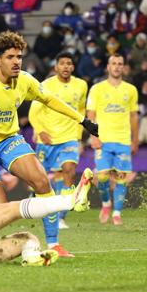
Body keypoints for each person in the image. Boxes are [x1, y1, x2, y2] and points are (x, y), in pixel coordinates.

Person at [0, 31, 99, 258]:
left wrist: (82, 120)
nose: (16, 61)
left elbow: (49, 99)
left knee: (42, 182)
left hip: (9, 141)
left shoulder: (24, 80)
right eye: (10, 57)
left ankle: (54, 244)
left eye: (19, 56)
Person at [28, 52, 87, 235]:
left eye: (69, 63)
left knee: (69, 169)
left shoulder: (81, 85)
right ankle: (33, 201)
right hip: (48, 138)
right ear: (56, 67)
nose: (66, 66)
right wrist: (40, 131)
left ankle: (60, 216)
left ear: (73, 67)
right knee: (40, 179)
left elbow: (81, 109)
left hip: (69, 138)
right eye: (62, 63)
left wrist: (78, 137)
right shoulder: (45, 85)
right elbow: (34, 111)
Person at [86, 54, 138, 225]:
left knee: (121, 178)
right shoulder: (97, 88)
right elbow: (91, 114)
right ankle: (106, 203)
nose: (117, 66)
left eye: (120, 64)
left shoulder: (130, 90)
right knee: (101, 177)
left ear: (124, 67)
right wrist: (93, 137)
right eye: (113, 63)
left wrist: (135, 140)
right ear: (108, 67)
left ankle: (117, 213)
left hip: (123, 140)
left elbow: (133, 117)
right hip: (103, 140)